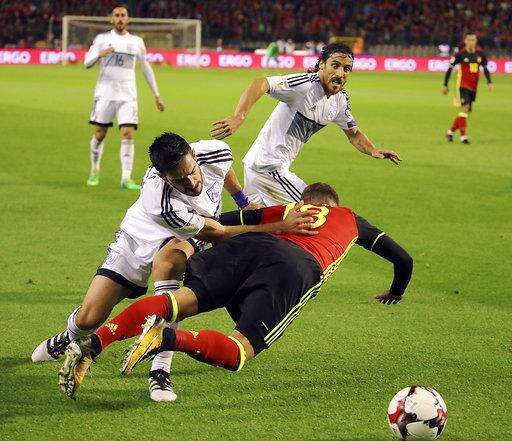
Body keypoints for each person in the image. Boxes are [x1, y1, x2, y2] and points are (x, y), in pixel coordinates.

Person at [58, 182, 413, 399]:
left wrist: (189, 240)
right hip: (295, 268)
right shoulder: (351, 218)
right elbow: (403, 259)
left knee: (173, 303)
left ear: (306, 200)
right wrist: (396, 290)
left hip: (250, 246)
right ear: (332, 204)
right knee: (239, 351)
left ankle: (94, 343)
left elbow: (221, 223)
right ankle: (166, 339)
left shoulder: (286, 209)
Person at [33, 132, 312, 401]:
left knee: (169, 263)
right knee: (89, 318)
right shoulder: (162, 203)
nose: (191, 183)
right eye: (179, 180)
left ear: (194, 156)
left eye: (192, 171)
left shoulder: (214, 151)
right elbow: (218, 233)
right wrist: (279, 227)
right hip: (138, 238)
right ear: (163, 176)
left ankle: (160, 369)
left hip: (184, 237)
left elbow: (224, 168)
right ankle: (70, 337)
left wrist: (241, 199)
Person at [211, 43, 401, 207]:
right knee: (318, 209)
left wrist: (373, 150)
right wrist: (239, 117)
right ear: (322, 65)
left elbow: (354, 134)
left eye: (346, 69)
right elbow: (261, 83)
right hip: (269, 167)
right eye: (335, 65)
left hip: (259, 166)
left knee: (258, 225)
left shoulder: (340, 101)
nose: (340, 73)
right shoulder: (305, 85)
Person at [84, 4, 165, 189]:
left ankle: (126, 178)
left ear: (128, 19)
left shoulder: (136, 42)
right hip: (105, 94)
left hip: (128, 95)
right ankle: (94, 169)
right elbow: (87, 63)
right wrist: (99, 54)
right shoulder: (102, 39)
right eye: (117, 15)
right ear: (111, 19)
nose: (120, 18)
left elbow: (146, 68)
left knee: (127, 133)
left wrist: (157, 95)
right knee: (100, 134)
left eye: (123, 15)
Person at [442, 34, 492, 145]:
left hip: (474, 87)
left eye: (473, 40)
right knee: (465, 108)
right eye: (469, 40)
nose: (471, 42)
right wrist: (445, 84)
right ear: (465, 41)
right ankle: (463, 137)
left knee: (466, 111)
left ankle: (450, 132)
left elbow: (485, 68)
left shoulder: (480, 54)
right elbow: (450, 68)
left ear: (476, 41)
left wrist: (489, 82)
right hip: (463, 85)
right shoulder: (460, 54)